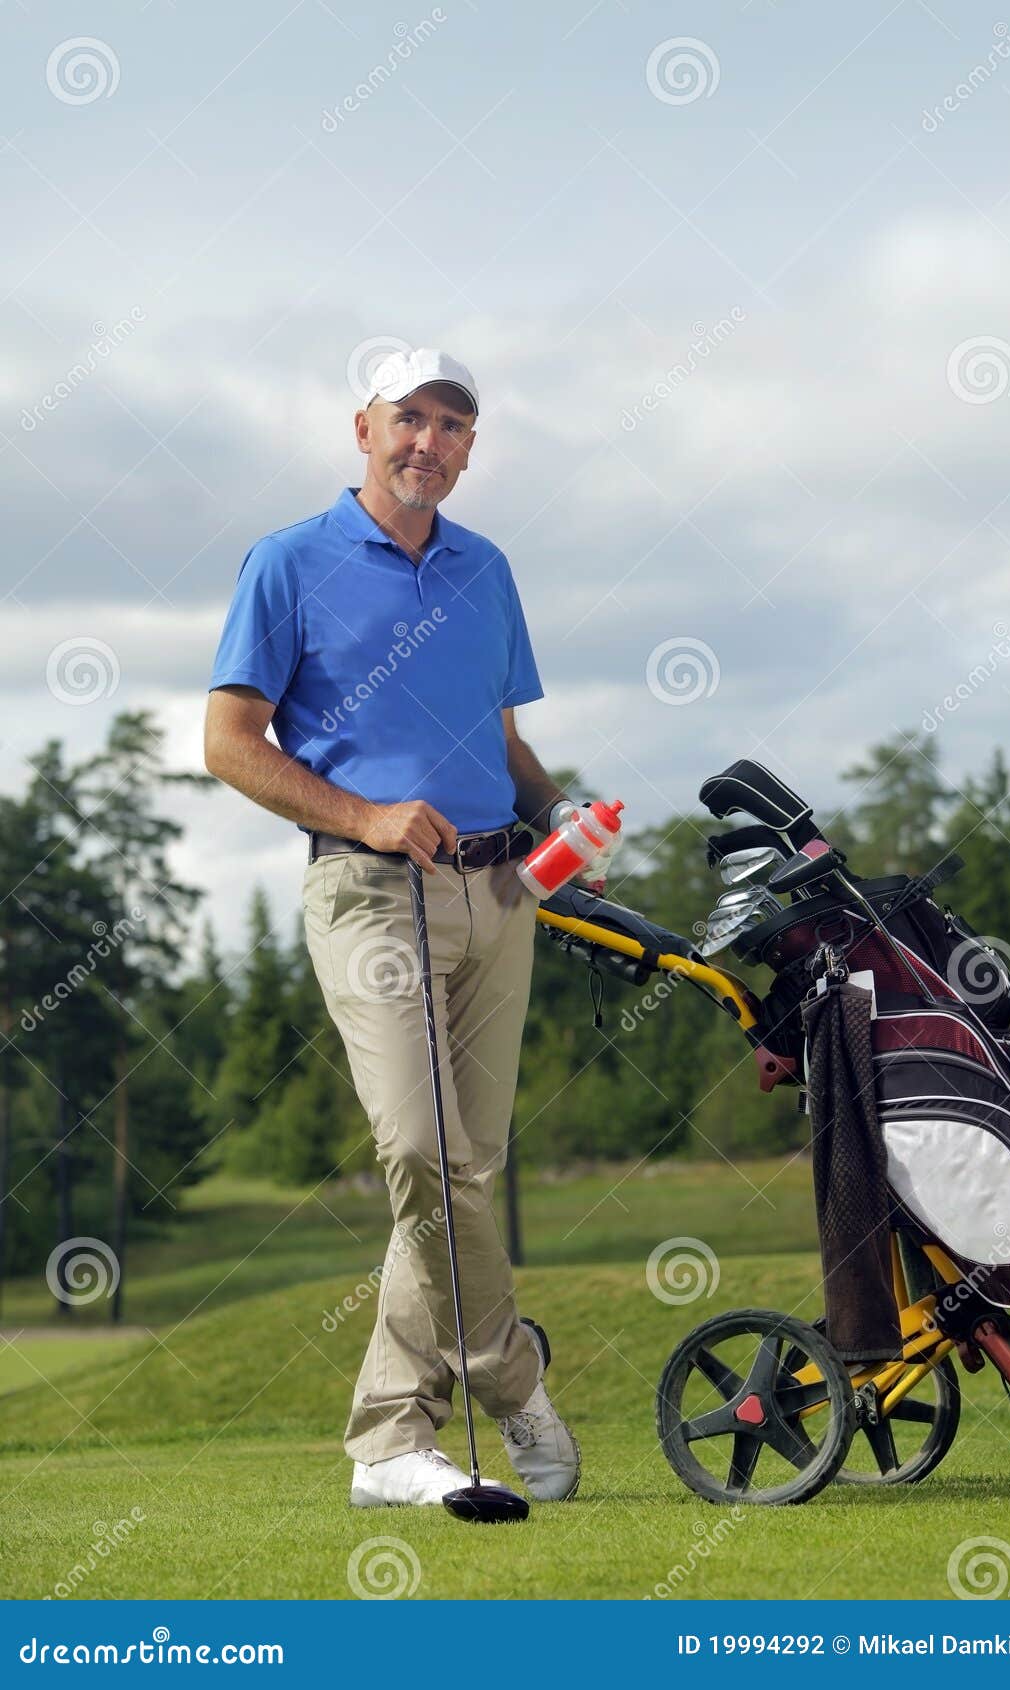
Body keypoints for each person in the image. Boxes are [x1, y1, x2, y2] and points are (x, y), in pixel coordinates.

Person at [204, 345, 615, 1508]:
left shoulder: (487, 571)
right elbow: (229, 742)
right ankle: (513, 1379)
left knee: (462, 1172)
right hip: (370, 891)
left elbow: (502, 744)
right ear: (361, 427)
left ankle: (390, 1443)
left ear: (470, 447)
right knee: (426, 1159)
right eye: (408, 418)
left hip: (502, 896)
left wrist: (561, 811)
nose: (428, 440)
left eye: (451, 423)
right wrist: (367, 816)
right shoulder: (287, 562)